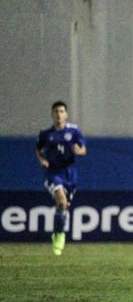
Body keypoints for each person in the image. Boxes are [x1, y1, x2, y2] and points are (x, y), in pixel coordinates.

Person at [35, 101, 87, 255]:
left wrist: (79, 150)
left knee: (64, 208)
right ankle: (60, 236)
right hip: (53, 173)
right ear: (52, 114)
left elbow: (83, 149)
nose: (59, 114)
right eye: (56, 111)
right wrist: (42, 160)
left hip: (69, 174)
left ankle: (57, 232)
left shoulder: (74, 131)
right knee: (62, 202)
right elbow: (38, 149)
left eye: (62, 111)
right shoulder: (46, 134)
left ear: (66, 114)